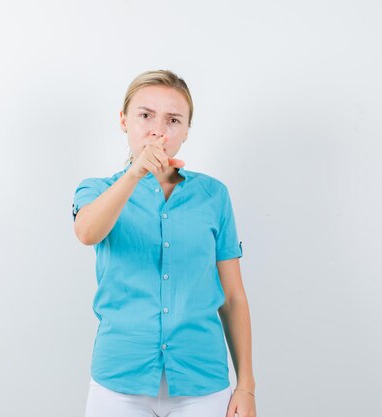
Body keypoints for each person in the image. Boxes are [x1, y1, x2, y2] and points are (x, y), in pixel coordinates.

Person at [72, 70, 257, 417]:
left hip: (202, 384)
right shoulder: (96, 189)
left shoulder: (213, 195)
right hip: (119, 382)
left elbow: (233, 298)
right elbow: (87, 232)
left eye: (173, 120)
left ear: (186, 131)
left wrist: (246, 386)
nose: (158, 130)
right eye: (145, 115)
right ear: (124, 120)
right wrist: (135, 173)